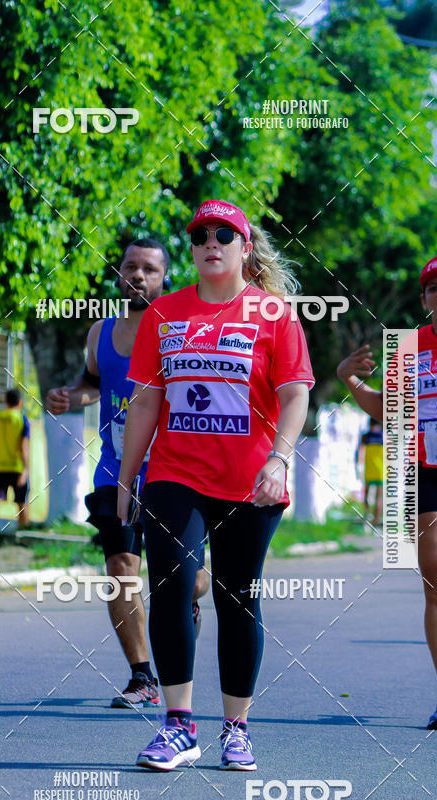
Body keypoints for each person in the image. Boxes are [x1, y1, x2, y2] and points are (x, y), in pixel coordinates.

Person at [118, 200, 314, 770]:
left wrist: (279, 460)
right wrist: (127, 479)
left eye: (224, 234)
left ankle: (236, 728)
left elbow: (295, 395)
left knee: (237, 598)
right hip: (175, 474)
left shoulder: (274, 315)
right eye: (201, 234)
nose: (211, 242)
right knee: (172, 584)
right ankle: (178, 724)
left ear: (245, 248)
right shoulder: (164, 313)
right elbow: (146, 402)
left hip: (252, 481)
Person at [46, 238, 209, 710]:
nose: (138, 275)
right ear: (119, 274)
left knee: (187, 579)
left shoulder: (182, 330)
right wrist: (69, 396)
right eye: (130, 267)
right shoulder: (100, 331)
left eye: (149, 269)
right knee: (121, 570)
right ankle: (142, 676)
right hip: (115, 472)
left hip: (175, 471)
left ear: (165, 278)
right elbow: (92, 383)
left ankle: (190, 594)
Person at [337, 254, 437, 730]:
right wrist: (348, 378)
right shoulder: (409, 349)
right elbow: (389, 408)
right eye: (433, 287)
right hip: (428, 476)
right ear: (425, 300)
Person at [0, 387, 30, 530]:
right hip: (17, 467)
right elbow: (23, 446)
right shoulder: (22, 419)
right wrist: (25, 469)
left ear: (5, 401)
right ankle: (23, 533)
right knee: (22, 502)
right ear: (20, 402)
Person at [357, 418, 383, 526]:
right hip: (381, 469)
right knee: (378, 497)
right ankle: (376, 520)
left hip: (370, 469)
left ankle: (368, 515)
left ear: (370, 423)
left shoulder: (366, 436)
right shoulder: (384, 435)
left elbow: (360, 452)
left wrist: (358, 465)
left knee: (366, 494)